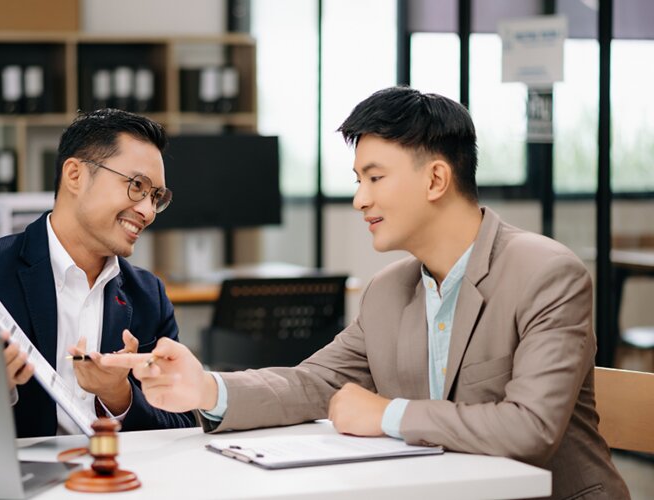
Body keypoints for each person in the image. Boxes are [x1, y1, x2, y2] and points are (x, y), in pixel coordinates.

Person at [104, 87, 629, 499]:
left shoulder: (546, 274)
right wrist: (207, 389)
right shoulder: (387, 291)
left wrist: (387, 415)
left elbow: (530, 428)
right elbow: (313, 383)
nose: (360, 199)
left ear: (437, 179)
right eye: (358, 179)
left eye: (375, 178)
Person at [0, 108, 195, 437]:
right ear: (75, 175)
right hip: (17, 484)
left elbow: (183, 425)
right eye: (137, 186)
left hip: (115, 483)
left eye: (156, 197)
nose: (148, 211)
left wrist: (118, 396)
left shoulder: (148, 295)